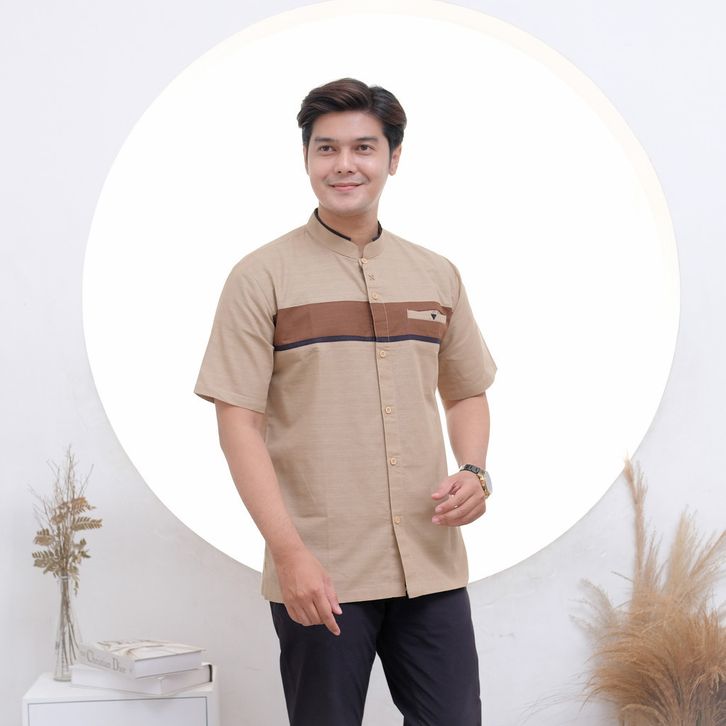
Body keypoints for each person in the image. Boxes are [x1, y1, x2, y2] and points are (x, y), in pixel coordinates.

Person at [194, 77, 496, 726]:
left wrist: (475, 470)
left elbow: (466, 390)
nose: (344, 164)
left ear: (394, 157)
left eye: (363, 147)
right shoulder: (260, 277)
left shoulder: (437, 274)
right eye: (326, 149)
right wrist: (289, 553)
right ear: (307, 158)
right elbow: (238, 423)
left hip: (431, 562)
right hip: (321, 569)